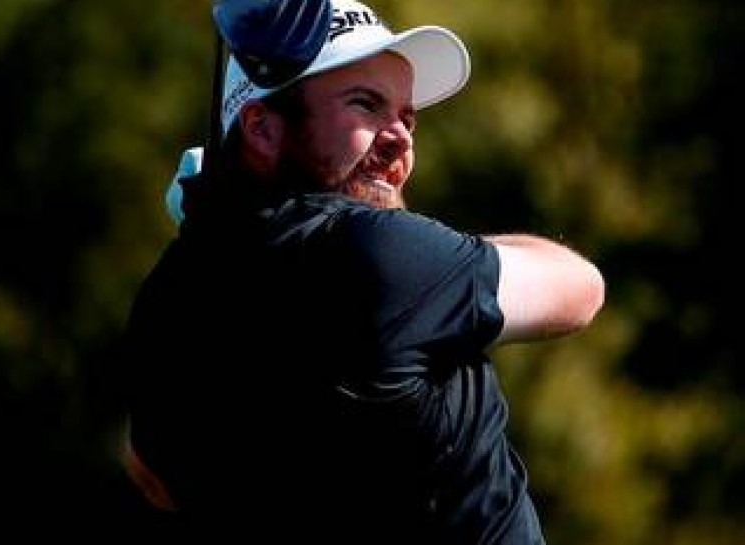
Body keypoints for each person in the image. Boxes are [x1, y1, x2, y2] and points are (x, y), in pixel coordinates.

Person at [118, 0, 605, 543]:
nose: (401, 136)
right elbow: (581, 288)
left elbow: (149, 470)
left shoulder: (167, 298)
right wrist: (442, 257)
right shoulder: (379, 258)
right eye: (366, 105)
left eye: (407, 116)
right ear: (261, 129)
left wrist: (234, 242)